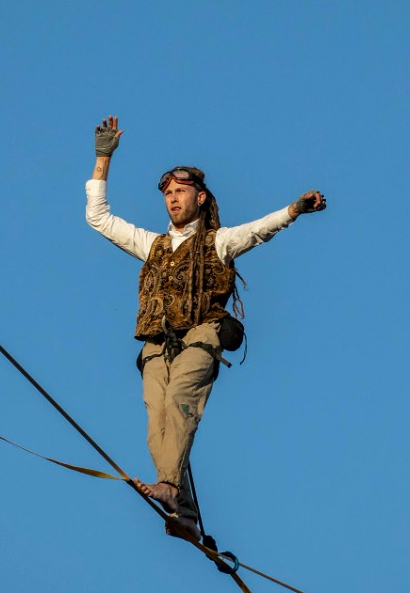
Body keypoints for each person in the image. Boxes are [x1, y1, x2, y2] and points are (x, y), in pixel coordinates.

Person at [85, 115, 326, 542]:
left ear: (200, 198)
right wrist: (103, 158)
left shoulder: (218, 241)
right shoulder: (151, 244)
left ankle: (171, 489)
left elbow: (259, 231)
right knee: (157, 424)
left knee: (180, 401)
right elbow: (99, 218)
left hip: (202, 334)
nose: (173, 200)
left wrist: (294, 210)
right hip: (158, 343)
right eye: (168, 194)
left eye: (181, 192)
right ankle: (187, 516)